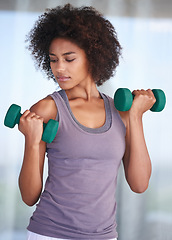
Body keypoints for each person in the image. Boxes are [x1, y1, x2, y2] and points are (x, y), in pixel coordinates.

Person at [18, 4, 156, 240]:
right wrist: (32, 141)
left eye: (69, 59)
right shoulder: (48, 109)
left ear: (92, 56)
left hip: (104, 235)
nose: (59, 68)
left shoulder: (120, 111)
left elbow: (139, 184)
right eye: (53, 60)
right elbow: (29, 196)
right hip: (50, 234)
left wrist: (135, 117)